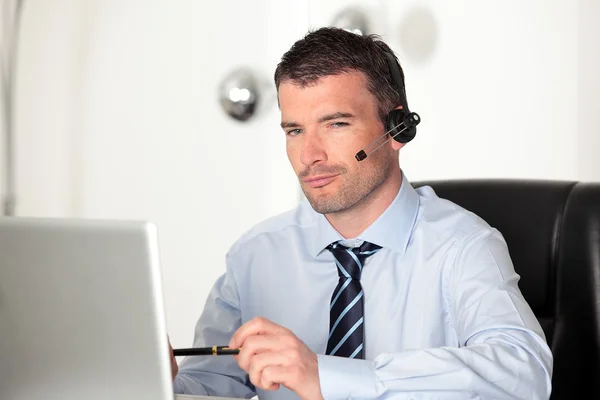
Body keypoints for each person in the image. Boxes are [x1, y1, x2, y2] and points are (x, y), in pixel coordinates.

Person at [170, 27, 553, 399]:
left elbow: (524, 374)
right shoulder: (255, 255)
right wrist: (157, 379)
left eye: (336, 124)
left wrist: (329, 379)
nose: (309, 156)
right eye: (294, 131)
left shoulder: (463, 246)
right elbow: (206, 386)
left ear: (397, 128)